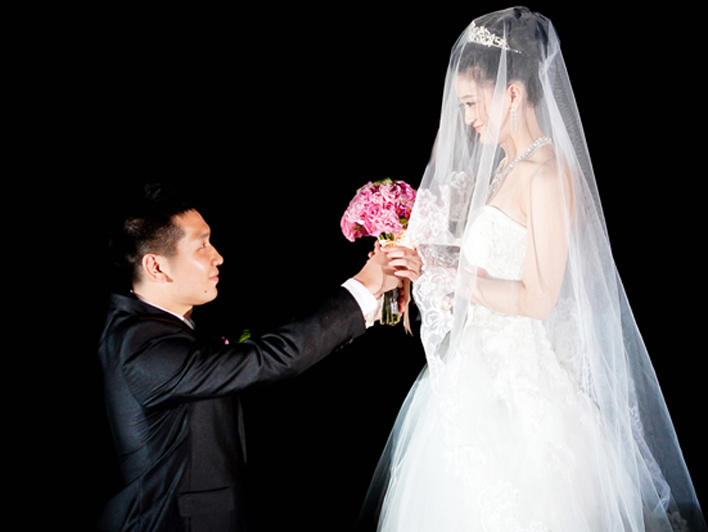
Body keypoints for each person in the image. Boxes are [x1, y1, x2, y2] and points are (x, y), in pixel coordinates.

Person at [359, 7, 706, 532]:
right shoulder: (505, 167)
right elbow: (488, 264)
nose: (468, 119)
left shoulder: (546, 174)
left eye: (472, 104)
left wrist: (452, 278)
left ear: (513, 95)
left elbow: (539, 297)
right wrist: (426, 267)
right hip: (475, 374)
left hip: (520, 387)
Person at [97, 182, 421, 532]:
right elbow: (267, 358)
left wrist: (374, 300)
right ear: (157, 267)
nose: (217, 256)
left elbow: (268, 340)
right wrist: (362, 286)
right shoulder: (141, 349)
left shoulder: (159, 321)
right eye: (201, 245)